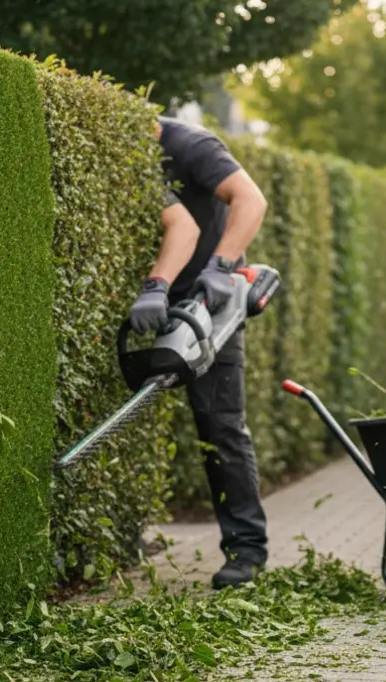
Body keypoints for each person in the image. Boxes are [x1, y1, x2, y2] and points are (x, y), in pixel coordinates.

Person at [129, 117, 270, 590]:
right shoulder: (131, 157)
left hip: (208, 305)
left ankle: (246, 551)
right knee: (134, 417)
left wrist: (222, 264)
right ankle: (121, 536)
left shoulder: (191, 144)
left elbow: (251, 199)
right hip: (151, 304)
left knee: (220, 425)